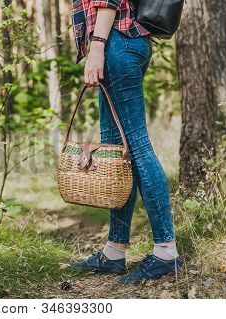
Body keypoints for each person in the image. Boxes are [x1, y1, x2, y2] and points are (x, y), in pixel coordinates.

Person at [68, 0, 182, 284]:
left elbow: (109, 1)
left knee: (138, 149)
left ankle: (166, 253)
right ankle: (115, 251)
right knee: (116, 155)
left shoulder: (109, 43)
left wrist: (96, 47)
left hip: (116, 44)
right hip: (124, 44)